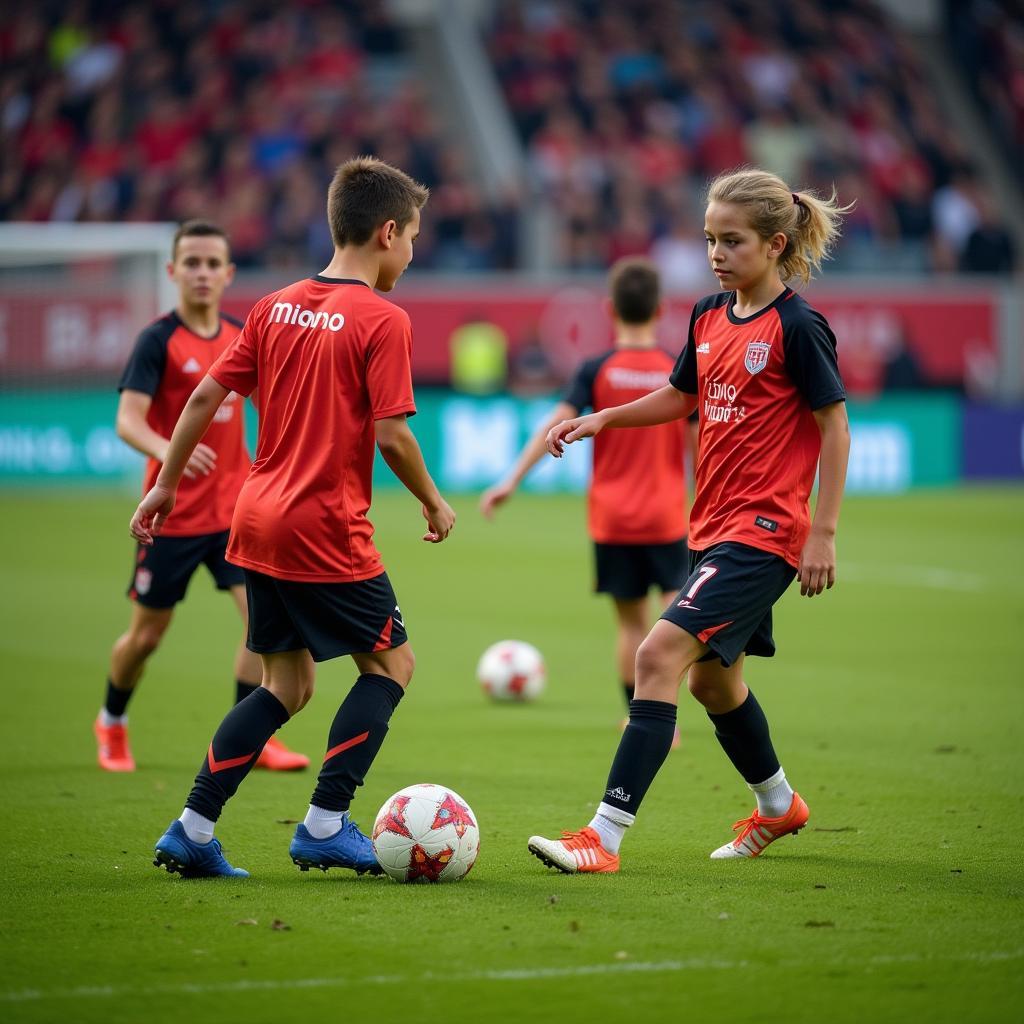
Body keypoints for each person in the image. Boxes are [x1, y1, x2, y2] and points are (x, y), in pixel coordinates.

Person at [131, 156, 455, 878]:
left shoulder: (273, 305)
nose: (412, 252)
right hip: (323, 526)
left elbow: (202, 400)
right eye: (412, 239)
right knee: (393, 664)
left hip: (254, 519)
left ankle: (192, 826)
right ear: (388, 230)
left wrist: (164, 486)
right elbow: (395, 434)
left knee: (288, 685)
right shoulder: (382, 318)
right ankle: (325, 823)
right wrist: (433, 500)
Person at [527, 168, 851, 873]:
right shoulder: (707, 316)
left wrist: (822, 531)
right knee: (712, 682)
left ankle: (602, 837)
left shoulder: (798, 326)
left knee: (656, 655)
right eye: (709, 239)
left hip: (764, 533)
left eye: (731, 241)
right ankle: (778, 805)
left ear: (773, 244)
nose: (716, 252)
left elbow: (835, 426)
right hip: (712, 528)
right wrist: (605, 417)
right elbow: (681, 398)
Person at [95, 220, 309, 774]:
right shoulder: (157, 340)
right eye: (191, 263)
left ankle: (249, 739)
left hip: (235, 514)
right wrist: (173, 452)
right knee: (146, 636)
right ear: (172, 272)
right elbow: (127, 420)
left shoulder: (246, 335)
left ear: (229, 273)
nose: (203, 273)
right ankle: (112, 721)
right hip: (171, 518)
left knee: (258, 627)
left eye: (213, 264)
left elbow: (273, 407)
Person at [481, 257, 695, 744]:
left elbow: (553, 425)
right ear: (660, 309)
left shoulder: (596, 370)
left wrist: (511, 480)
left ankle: (640, 717)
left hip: (613, 519)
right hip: (666, 517)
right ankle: (669, 718)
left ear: (608, 308)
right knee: (676, 620)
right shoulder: (676, 372)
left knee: (630, 626)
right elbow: (699, 450)